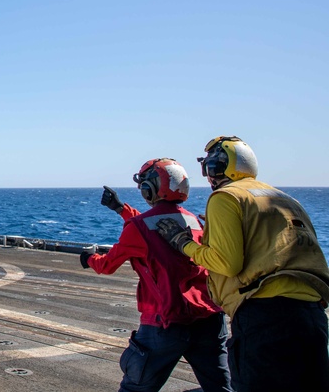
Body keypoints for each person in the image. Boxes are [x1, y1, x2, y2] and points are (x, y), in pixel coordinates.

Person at [156, 136, 329, 392]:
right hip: (312, 316)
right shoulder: (286, 199)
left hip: (265, 317)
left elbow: (227, 264)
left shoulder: (225, 197)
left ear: (216, 167)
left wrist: (183, 243)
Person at [81, 159, 232, 392]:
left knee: (135, 388)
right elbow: (158, 223)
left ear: (149, 188)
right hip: (209, 319)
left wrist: (88, 258)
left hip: (166, 323)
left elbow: (107, 265)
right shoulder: (196, 222)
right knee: (222, 388)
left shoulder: (139, 228)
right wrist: (122, 209)